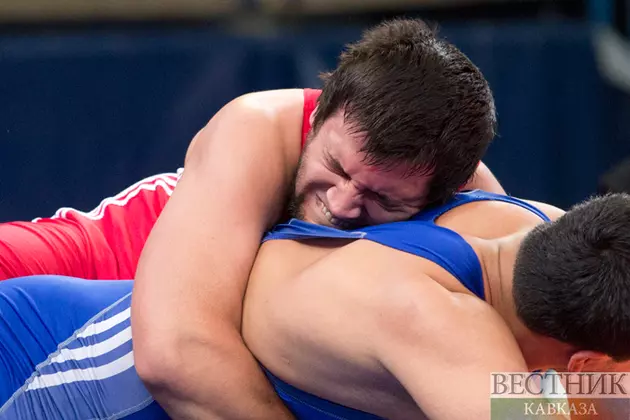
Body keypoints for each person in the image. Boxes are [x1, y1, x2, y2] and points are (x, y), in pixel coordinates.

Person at [131, 19, 502, 419]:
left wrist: (571, 397)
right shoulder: (429, 313)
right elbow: (172, 355)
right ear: (315, 115)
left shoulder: (480, 220)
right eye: (336, 167)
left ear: (451, 191)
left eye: (382, 198)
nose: (342, 206)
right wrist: (572, 397)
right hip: (101, 290)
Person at [1, 190, 629, 419]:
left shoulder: (543, 228)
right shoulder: (428, 320)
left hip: (115, 315)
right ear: (582, 362)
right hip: (61, 371)